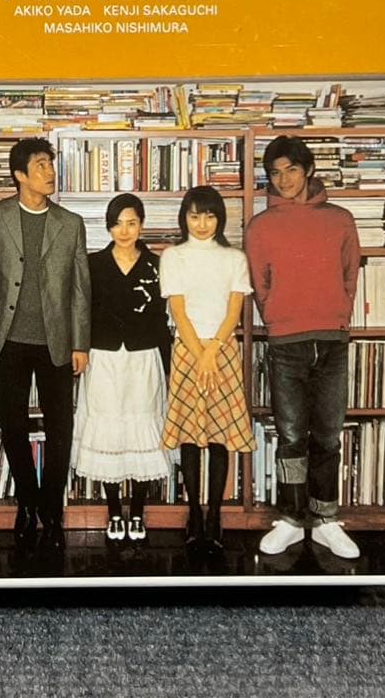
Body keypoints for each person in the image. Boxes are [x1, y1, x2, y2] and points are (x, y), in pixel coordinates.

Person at [245, 136, 362, 560]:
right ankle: (293, 519)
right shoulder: (260, 226)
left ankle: (326, 520)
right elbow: (260, 284)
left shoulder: (340, 219)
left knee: (328, 435)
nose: (284, 179)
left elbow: (350, 274)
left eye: (291, 170)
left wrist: (337, 313)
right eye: (275, 173)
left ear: (309, 170)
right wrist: (278, 317)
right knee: (291, 435)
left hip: (332, 339)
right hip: (286, 342)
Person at [0, 137, 91, 553]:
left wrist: (80, 342)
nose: (50, 171)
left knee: (61, 426)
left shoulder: (70, 223)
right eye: (41, 165)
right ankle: (27, 502)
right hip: (12, 339)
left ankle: (52, 509)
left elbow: (80, 289)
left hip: (56, 342)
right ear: (20, 175)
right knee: (11, 423)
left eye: (51, 164)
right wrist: (6, 315)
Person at [72, 193, 174, 543]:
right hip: (103, 358)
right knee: (108, 430)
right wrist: (79, 348)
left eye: (132, 223)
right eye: (118, 224)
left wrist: (169, 363)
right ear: (109, 226)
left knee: (143, 429)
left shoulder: (157, 265)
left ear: (142, 225)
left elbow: (162, 319)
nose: (125, 230)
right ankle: (115, 511)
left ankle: (138, 512)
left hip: (144, 358)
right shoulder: (93, 264)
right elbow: (82, 312)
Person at [159, 185, 256, 553]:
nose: (202, 224)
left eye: (210, 216)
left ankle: (215, 514)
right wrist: (200, 353)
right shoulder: (173, 256)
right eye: (195, 216)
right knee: (189, 436)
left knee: (218, 437)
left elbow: (234, 311)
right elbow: (178, 311)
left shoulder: (234, 258)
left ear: (220, 218)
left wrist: (212, 350)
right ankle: (194, 514)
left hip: (223, 350)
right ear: (184, 218)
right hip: (187, 350)